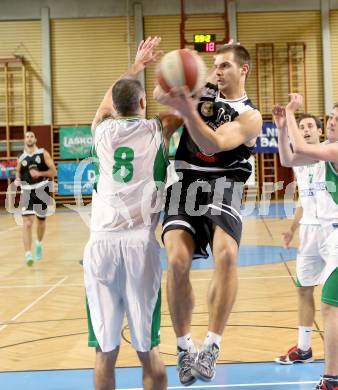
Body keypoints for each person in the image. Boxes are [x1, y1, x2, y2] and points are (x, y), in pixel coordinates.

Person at [154, 44, 262, 385]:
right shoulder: (201, 92)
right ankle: (185, 349)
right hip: (185, 181)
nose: (217, 70)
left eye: (225, 65)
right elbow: (160, 92)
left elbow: (213, 144)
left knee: (227, 255)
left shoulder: (250, 115)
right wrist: (179, 86)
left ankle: (212, 345)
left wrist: (188, 111)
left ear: (243, 69)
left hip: (224, 185)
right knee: (175, 262)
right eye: (214, 65)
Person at [83, 36, 182, 390]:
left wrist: (136, 66)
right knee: (148, 350)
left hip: (101, 245)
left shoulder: (100, 131)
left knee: (104, 353)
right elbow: (185, 110)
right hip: (140, 246)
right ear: (143, 102)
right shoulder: (158, 128)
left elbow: (107, 103)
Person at [285, 94, 338, 390]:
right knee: (328, 304)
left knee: (330, 306)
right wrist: (283, 125)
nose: (331, 122)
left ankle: (331, 378)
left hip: (334, 234)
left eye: (335, 120)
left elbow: (301, 148)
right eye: (329, 117)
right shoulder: (326, 150)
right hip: (328, 234)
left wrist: (291, 114)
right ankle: (327, 372)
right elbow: (291, 157)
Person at [273, 108, 324, 364]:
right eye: (301, 126)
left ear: (320, 131)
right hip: (309, 231)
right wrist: (293, 228)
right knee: (304, 288)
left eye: (310, 126)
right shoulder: (300, 163)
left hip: (332, 230)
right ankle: (304, 348)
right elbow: (304, 200)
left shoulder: (328, 151)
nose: (305, 130)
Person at [14, 131, 56, 266]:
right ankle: (28, 254)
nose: (29, 138)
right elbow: (18, 171)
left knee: (41, 222)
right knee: (27, 223)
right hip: (26, 191)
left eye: (31, 136)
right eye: (27, 136)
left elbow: (53, 171)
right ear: (24, 140)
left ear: (35, 139)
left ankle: (38, 243)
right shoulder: (21, 157)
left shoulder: (43, 153)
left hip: (41, 189)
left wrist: (40, 173)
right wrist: (17, 179)